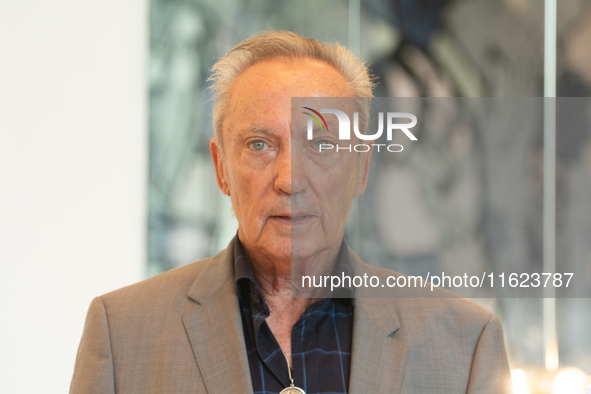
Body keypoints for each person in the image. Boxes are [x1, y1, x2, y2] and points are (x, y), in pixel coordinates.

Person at [70, 30, 512, 393]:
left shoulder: (465, 344)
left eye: (322, 145)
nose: (290, 179)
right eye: (259, 144)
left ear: (362, 168)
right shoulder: (122, 334)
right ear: (221, 167)